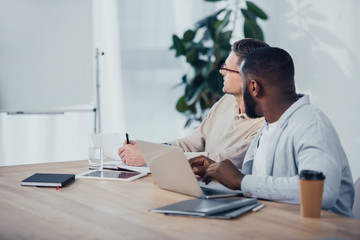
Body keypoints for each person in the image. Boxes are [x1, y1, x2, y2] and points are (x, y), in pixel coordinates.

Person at [189, 47, 355, 217]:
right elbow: (265, 184)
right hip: (278, 224)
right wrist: (218, 171)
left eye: (244, 85)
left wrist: (241, 181)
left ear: (254, 87)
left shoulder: (312, 124)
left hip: (324, 232)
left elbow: (322, 191)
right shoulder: (270, 126)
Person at [118, 38, 269, 168]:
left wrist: (152, 156)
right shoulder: (227, 101)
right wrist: (149, 149)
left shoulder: (266, 124)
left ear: (249, 78)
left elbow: (222, 160)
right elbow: (191, 144)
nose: (221, 72)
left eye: (228, 69)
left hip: (225, 194)